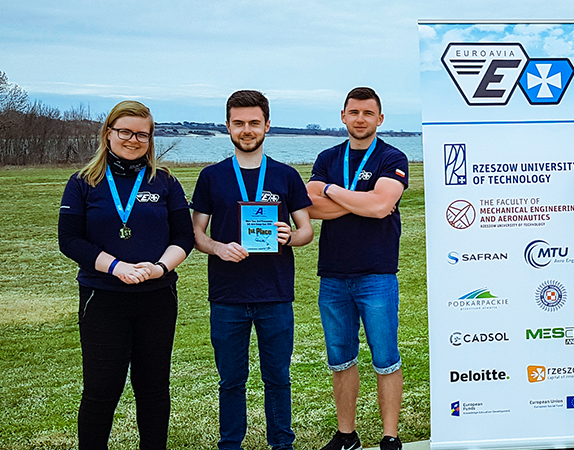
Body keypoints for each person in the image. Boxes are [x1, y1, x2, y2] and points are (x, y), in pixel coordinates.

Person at [58, 100, 195, 450]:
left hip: (157, 297)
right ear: (108, 133)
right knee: (101, 389)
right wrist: (116, 267)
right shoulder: (83, 182)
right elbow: (69, 240)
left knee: (153, 388)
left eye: (142, 135)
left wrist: (159, 268)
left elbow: (184, 237)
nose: (133, 140)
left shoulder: (165, 181)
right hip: (102, 297)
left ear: (150, 139)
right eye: (125, 132)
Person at [190, 90, 313, 450]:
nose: (247, 130)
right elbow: (196, 234)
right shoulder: (212, 176)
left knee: (278, 378)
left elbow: (307, 231)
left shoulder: (286, 175)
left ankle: (282, 444)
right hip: (227, 296)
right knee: (231, 381)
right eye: (239, 123)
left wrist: (290, 236)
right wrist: (218, 247)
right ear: (228, 126)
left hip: (275, 294)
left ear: (267, 125)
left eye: (254, 123)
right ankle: (230, 444)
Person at [305, 87, 409, 450]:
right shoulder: (328, 157)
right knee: (340, 359)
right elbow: (310, 208)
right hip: (333, 275)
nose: (360, 119)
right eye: (354, 112)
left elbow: (381, 207)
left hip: (377, 274)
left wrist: (333, 191)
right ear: (343, 116)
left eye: (367, 113)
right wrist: (363, 201)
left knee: (386, 358)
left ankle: (390, 436)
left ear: (379, 118)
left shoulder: (391, 156)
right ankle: (347, 435)